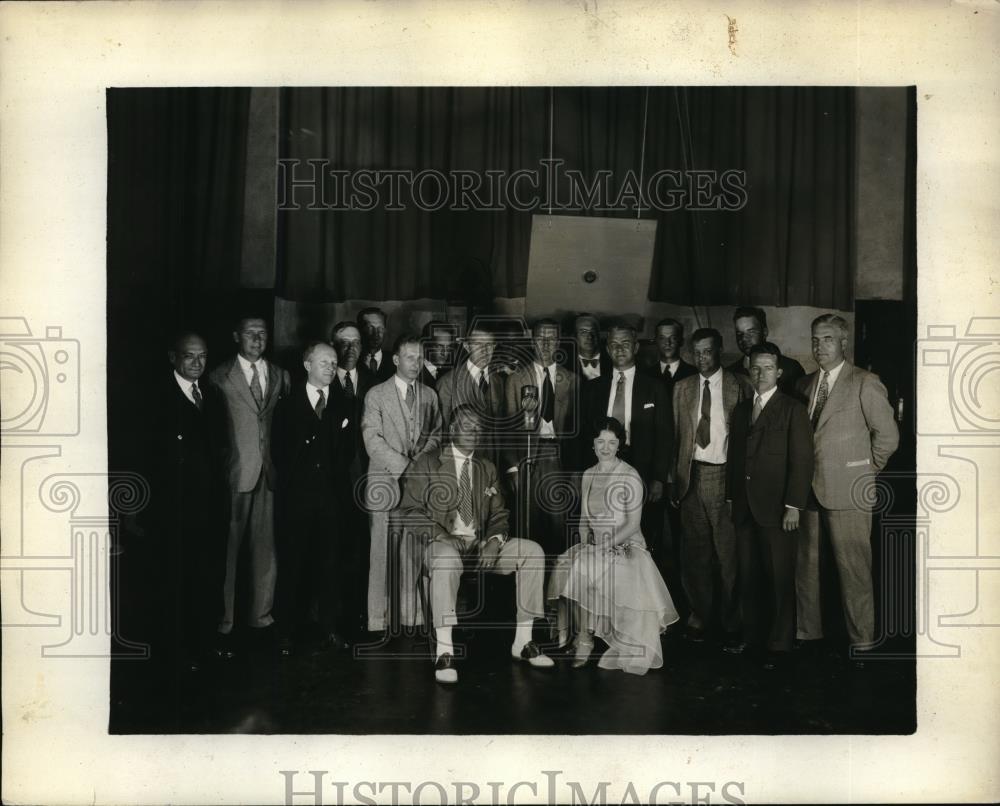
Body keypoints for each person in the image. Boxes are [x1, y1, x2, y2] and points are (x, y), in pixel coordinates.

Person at [397, 404, 554, 684]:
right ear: (453, 430)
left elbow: (499, 515)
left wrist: (494, 541)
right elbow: (408, 511)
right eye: (468, 426)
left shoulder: (487, 467)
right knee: (445, 560)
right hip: (442, 544)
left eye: (479, 427)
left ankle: (523, 641)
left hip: (480, 546)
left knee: (533, 552)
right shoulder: (428, 462)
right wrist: (441, 535)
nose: (475, 432)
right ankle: (444, 652)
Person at [795, 314, 898, 666]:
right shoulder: (806, 384)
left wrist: (867, 469)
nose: (819, 347)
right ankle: (809, 634)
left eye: (826, 339)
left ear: (843, 343)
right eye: (814, 339)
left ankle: (862, 642)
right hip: (808, 490)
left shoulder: (864, 382)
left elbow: (888, 436)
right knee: (806, 567)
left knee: (853, 568)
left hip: (850, 489)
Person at [548, 417, 679, 675]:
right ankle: (570, 633)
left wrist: (605, 545)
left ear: (620, 444)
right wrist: (586, 541)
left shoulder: (629, 475)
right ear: (593, 445)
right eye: (600, 442)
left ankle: (584, 638)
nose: (606, 447)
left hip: (626, 545)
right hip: (596, 545)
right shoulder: (587, 475)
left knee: (584, 567)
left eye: (611, 442)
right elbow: (584, 521)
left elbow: (632, 524)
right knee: (565, 561)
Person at [726, 344, 814, 668]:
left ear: (779, 372)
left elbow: (802, 461)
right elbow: (736, 458)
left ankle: (779, 645)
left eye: (767, 368)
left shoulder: (793, 409)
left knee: (779, 577)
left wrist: (794, 505)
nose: (760, 374)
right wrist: (732, 499)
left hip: (778, 509)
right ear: (749, 371)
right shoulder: (741, 410)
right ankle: (752, 638)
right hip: (745, 508)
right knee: (748, 576)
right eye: (755, 368)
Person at [208, 316, 290, 656]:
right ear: (236, 336)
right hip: (235, 474)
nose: (257, 339)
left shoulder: (282, 375)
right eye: (250, 333)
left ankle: (261, 619)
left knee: (266, 550)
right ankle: (224, 623)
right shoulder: (218, 376)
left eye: (263, 333)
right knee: (227, 552)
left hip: (269, 475)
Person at [148, 331, 229, 671]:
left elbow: (220, 448)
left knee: (208, 577)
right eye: (189, 357)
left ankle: (205, 643)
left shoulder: (211, 394)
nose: (197, 363)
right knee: (177, 581)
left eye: (203, 357)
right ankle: (177, 651)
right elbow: (150, 458)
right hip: (176, 508)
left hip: (210, 506)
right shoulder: (157, 398)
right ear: (173, 358)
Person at [271, 342, 350, 656]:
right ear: (307, 365)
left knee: (330, 566)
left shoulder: (344, 404)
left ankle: (329, 629)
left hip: (331, 500)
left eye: (333, 363)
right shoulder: (287, 405)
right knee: (292, 565)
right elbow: (279, 452)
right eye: (324, 362)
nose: (330, 368)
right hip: (297, 500)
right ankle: (285, 633)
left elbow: (346, 454)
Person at [361, 333, 443, 632]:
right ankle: (378, 619)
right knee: (382, 551)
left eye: (420, 358)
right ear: (396, 359)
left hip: (417, 484)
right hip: (385, 482)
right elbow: (372, 440)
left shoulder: (430, 396)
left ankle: (410, 616)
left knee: (412, 551)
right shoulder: (376, 395)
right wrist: (404, 466)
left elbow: (437, 435)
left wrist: (420, 463)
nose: (415, 363)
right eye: (410, 357)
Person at [671, 327, 746, 646]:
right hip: (691, 477)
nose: (702, 358)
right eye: (697, 352)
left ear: (719, 351)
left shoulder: (738, 385)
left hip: (724, 476)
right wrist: (674, 480)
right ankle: (699, 616)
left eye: (708, 351)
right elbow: (676, 438)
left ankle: (732, 620)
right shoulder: (682, 388)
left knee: (729, 555)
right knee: (695, 554)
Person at [581, 322, 672, 535]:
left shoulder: (655, 387)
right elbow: (586, 433)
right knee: (606, 528)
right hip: (604, 466)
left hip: (643, 468)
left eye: (625, 343)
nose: (619, 349)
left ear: (636, 347)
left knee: (647, 529)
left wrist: (659, 477)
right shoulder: (593, 389)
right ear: (607, 349)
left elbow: (665, 435)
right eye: (613, 344)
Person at [502, 318, 578, 558]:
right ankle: (529, 583)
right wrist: (513, 467)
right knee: (528, 522)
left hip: (558, 458)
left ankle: (557, 584)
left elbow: (580, 432)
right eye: (540, 338)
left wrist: (575, 472)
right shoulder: (516, 379)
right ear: (532, 341)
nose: (546, 344)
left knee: (559, 524)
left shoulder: (572, 380)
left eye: (552, 338)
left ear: (559, 342)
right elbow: (507, 429)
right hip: (526, 458)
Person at [329, 321, 375, 638]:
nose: (350, 349)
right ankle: (332, 620)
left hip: (369, 478)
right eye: (343, 343)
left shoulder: (374, 381)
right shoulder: (323, 380)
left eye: (355, 343)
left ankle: (360, 614)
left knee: (363, 549)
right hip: (332, 480)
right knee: (333, 549)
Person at [435, 321, 507, 473]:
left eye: (489, 344)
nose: (485, 350)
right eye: (478, 344)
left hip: (493, 465)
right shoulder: (448, 383)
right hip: (460, 467)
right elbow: (441, 434)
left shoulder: (499, 381)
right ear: (467, 346)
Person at [726, 306, 805, 398]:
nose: (744, 339)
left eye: (751, 332)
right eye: (739, 334)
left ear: (764, 332)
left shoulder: (791, 369)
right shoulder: (730, 373)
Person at [648, 318, 698, 390]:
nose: (667, 343)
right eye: (662, 338)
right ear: (656, 341)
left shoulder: (694, 374)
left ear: (681, 341)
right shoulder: (646, 375)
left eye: (673, 338)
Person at [566, 312, 610, 381]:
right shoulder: (565, 363)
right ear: (574, 336)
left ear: (599, 335)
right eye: (583, 332)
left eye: (593, 331)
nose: (589, 337)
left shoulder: (612, 360)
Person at [358, 306, 394, 383]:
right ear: (360, 330)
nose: (376, 333)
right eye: (370, 328)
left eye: (380, 328)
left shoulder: (396, 361)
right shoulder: (353, 360)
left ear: (385, 330)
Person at [419, 319, 457, 389]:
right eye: (439, 346)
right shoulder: (415, 375)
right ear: (425, 345)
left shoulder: (448, 372)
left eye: (448, 347)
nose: (444, 353)